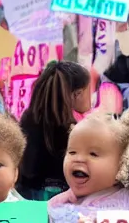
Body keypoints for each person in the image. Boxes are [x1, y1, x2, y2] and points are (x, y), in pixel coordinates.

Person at [18, 60, 92, 201]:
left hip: (29, 197)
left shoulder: (30, 117)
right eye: (89, 90)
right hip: (64, 199)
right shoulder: (72, 128)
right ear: (77, 94)